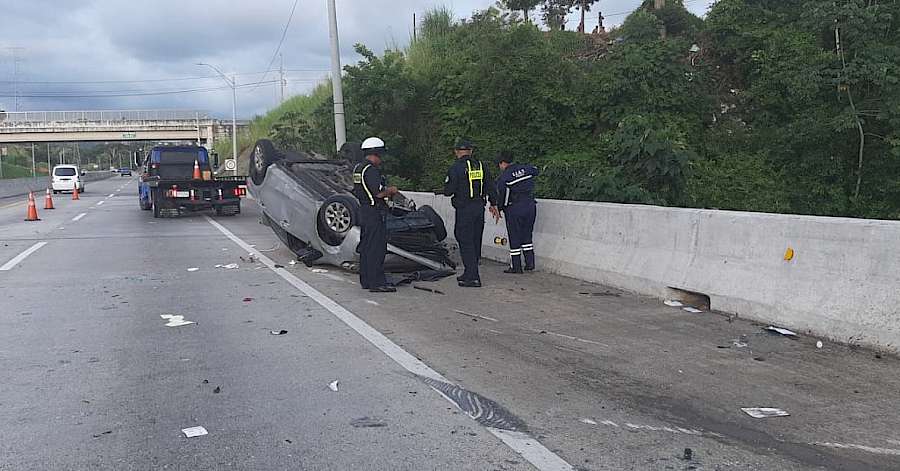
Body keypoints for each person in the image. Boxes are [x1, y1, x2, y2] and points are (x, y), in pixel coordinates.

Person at [443, 138, 497, 288]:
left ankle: (473, 277)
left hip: (464, 209)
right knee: (475, 239)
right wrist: (494, 204)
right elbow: (491, 186)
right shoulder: (481, 166)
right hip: (479, 208)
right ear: (471, 151)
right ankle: (469, 272)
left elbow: (448, 191)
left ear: (456, 152)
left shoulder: (456, 168)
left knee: (464, 239)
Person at [352, 137, 398, 293]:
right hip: (373, 212)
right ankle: (377, 282)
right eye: (380, 155)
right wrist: (391, 191)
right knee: (376, 249)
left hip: (363, 211)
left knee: (366, 247)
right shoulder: (371, 170)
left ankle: (366, 279)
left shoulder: (358, 168)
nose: (381, 159)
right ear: (375, 153)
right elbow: (378, 193)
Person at [495, 151, 539, 273]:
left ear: (503, 163)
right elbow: (536, 171)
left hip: (515, 208)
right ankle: (530, 263)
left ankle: (516, 266)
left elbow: (502, 196)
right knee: (527, 235)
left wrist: (499, 209)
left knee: (514, 237)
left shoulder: (504, 177)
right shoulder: (526, 168)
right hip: (530, 206)